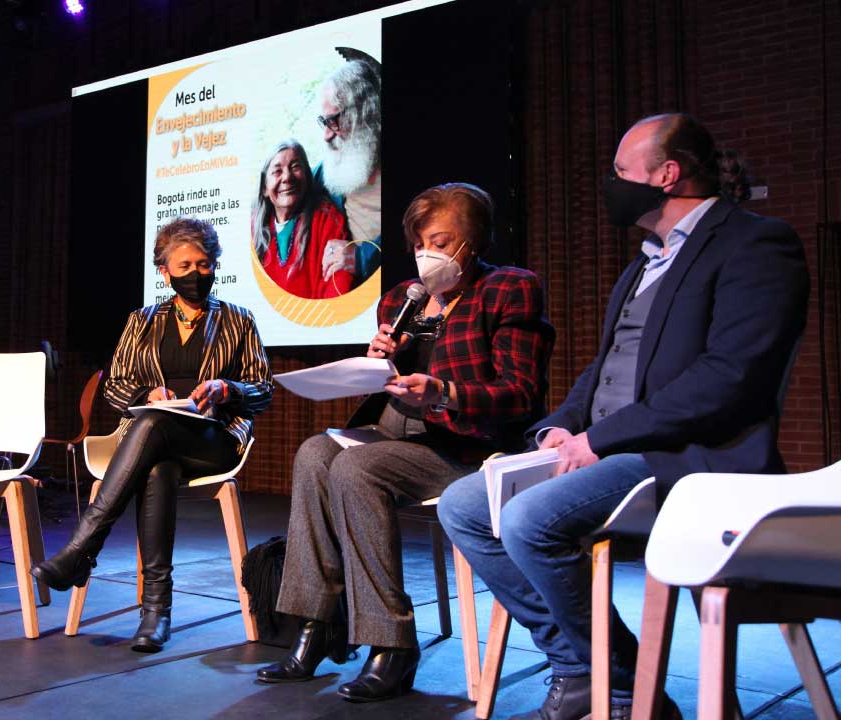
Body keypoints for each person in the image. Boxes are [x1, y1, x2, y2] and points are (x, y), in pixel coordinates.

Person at [437, 113, 810, 720]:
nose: (610, 183)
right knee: (465, 506)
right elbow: (607, 366)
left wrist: (598, 439)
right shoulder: (645, 262)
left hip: (688, 457)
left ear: (666, 174)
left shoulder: (755, 244)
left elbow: (729, 380)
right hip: (613, 448)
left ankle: (612, 682)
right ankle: (595, 670)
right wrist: (559, 426)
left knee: (530, 517)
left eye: (619, 171)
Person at [257, 183, 554, 702]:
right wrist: (377, 362)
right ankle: (317, 622)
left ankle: (392, 644)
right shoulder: (400, 300)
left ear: (473, 241)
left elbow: (520, 395)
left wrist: (444, 392)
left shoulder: (507, 290)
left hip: (467, 449)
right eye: (420, 243)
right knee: (313, 452)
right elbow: (386, 385)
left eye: (440, 241)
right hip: (395, 435)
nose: (427, 255)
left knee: (356, 469)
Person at [32, 217, 273, 653]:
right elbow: (115, 385)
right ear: (164, 271)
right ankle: (155, 613)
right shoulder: (141, 321)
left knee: (153, 425)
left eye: (204, 264)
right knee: (157, 465)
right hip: (155, 444)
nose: (195, 274)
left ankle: (82, 548)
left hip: (213, 440)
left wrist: (227, 389)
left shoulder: (239, 320)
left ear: (215, 265)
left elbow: (263, 391)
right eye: (184, 266)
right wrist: (149, 392)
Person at [252, 140, 354, 299]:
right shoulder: (253, 228)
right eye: (277, 171)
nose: (287, 177)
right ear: (264, 188)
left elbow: (337, 288)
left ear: (307, 177)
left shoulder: (327, 220)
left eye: (295, 167)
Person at [314, 51, 382, 285]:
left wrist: (363, 257)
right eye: (323, 122)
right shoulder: (325, 172)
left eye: (334, 120)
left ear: (366, 113)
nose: (326, 135)